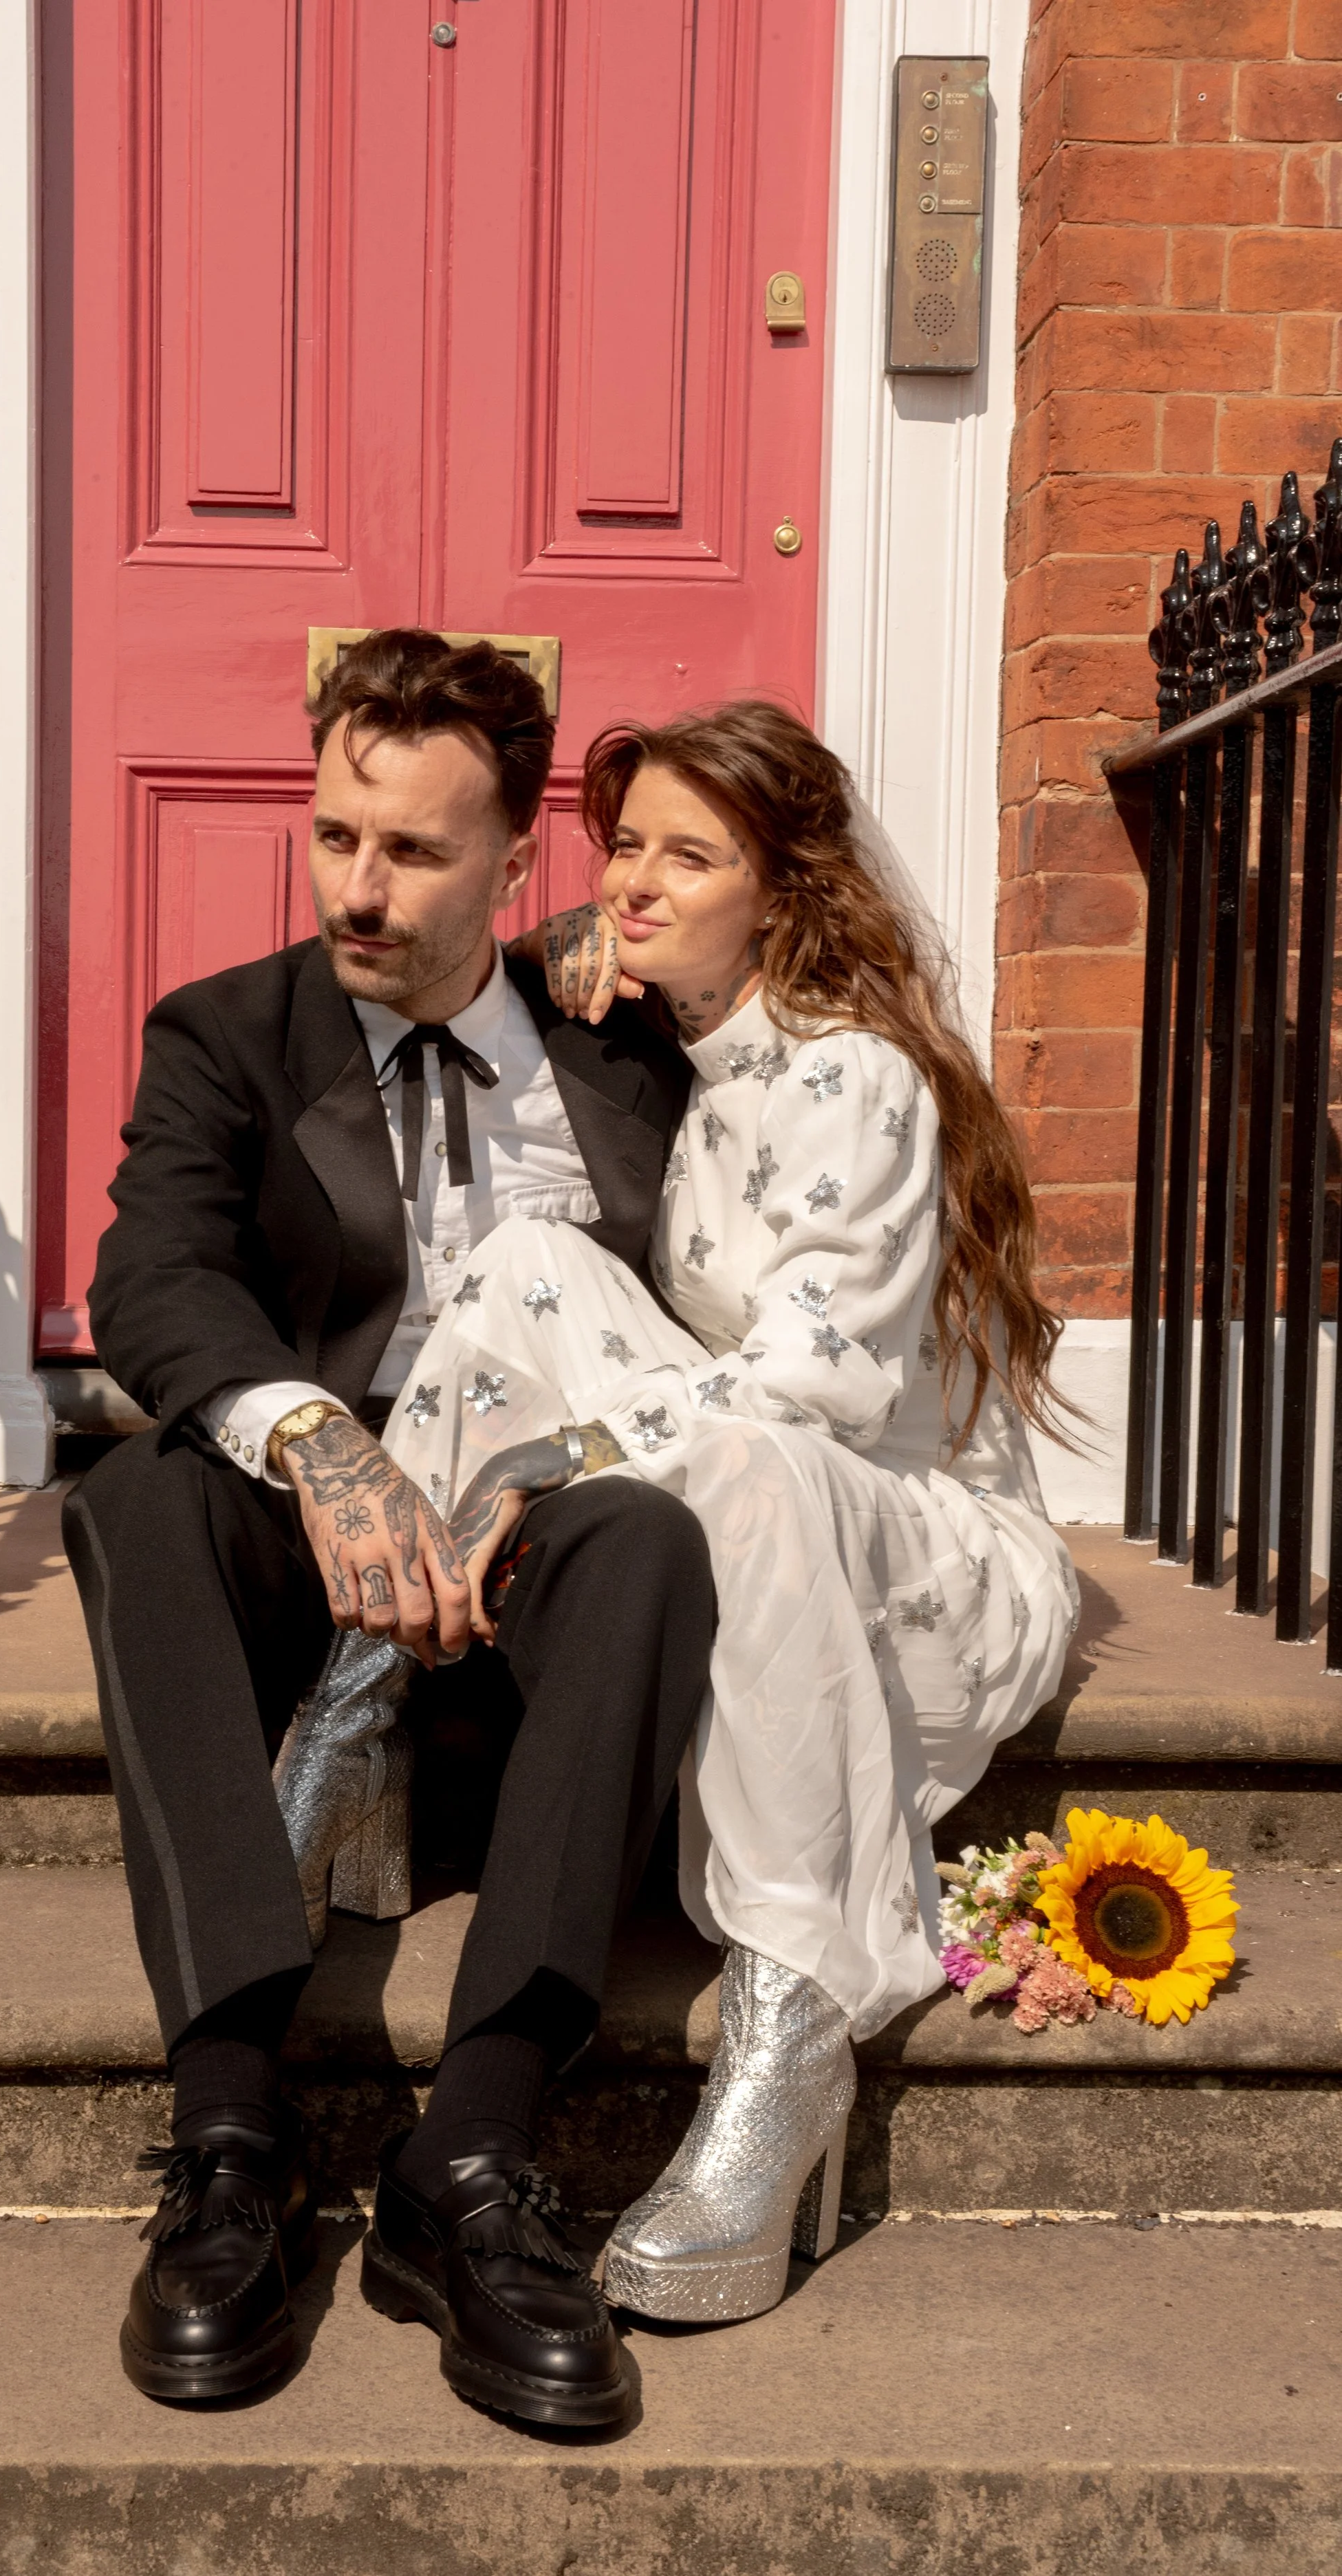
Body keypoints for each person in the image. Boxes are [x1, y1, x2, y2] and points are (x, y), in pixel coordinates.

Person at [63, 629, 713, 2431]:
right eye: (336, 833)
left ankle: (471, 2159)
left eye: (416, 851)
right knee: (136, 1494)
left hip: (534, 1550)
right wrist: (314, 1439)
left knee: (648, 1538)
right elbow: (153, 1279)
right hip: (315, 1560)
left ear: (514, 859)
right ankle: (230, 2134)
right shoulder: (227, 1035)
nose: (359, 887)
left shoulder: (622, 1050)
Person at [371, 697, 1081, 2324]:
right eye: (623, 845)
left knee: (752, 1459)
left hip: (930, 1560)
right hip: (777, 1505)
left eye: (688, 856)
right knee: (526, 1262)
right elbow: (511, 971)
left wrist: (559, 1454)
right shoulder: (701, 1050)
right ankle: (363, 1697)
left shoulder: (856, 1077)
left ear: (783, 890)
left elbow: (813, 1385)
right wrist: (570, 939)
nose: (633, 881)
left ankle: (788, 2031)